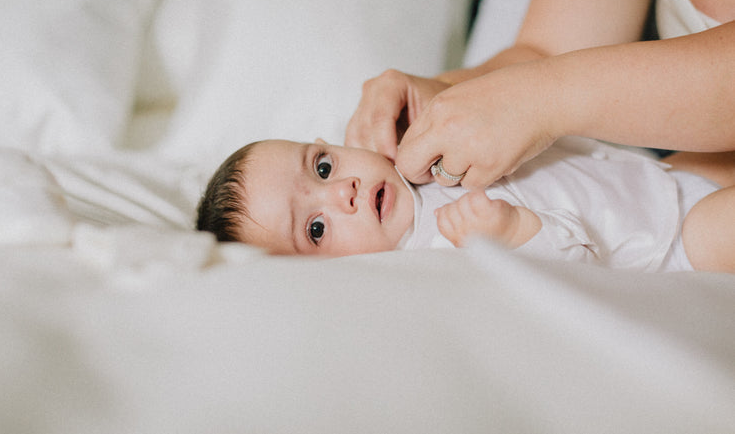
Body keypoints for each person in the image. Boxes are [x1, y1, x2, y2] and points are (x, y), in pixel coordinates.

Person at [345, 0, 735, 270]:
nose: (341, 191)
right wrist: (445, 95)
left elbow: (544, 86)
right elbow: (546, 52)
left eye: (323, 167)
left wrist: (539, 100)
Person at [195, 136, 735, 273]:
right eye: (315, 229)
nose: (344, 192)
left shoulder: (423, 158)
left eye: (323, 167)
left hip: (661, 177)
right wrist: (516, 234)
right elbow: (575, 279)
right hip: (670, 245)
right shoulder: (433, 258)